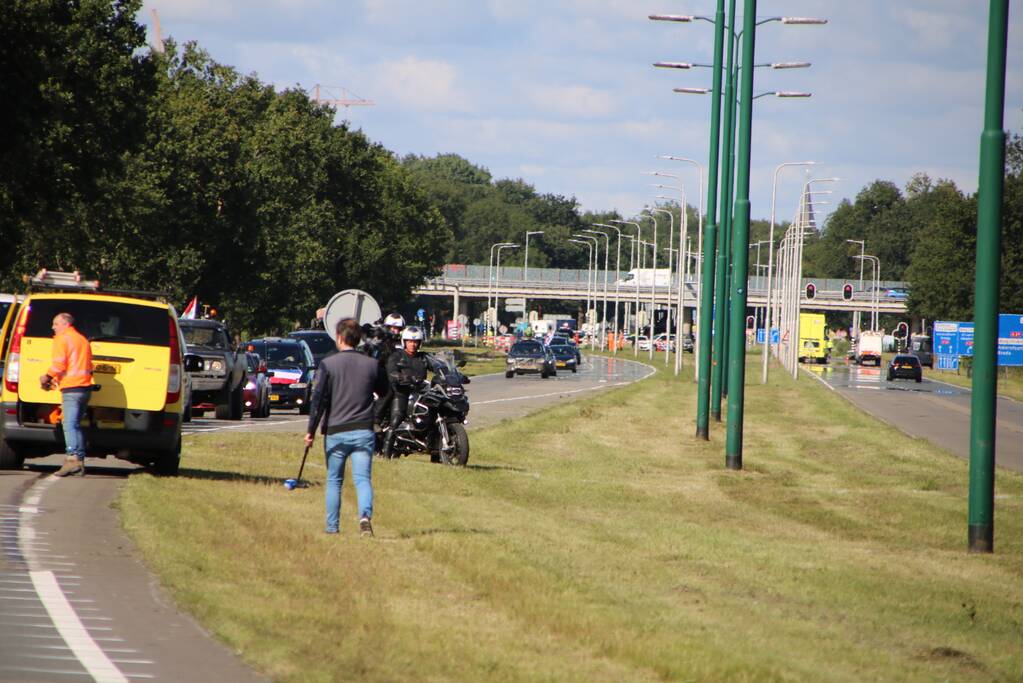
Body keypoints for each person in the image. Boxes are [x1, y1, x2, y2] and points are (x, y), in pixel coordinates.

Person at [305, 318, 390, 536]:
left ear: (339, 337)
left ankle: (332, 527)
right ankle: (364, 517)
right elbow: (384, 391)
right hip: (363, 429)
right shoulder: (372, 364)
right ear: (359, 338)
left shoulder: (329, 364)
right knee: (362, 479)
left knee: (334, 480)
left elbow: (319, 400)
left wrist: (311, 431)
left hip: (336, 431)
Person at [42, 313, 94, 477]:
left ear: (65, 324)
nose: (53, 327)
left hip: (72, 388)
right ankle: (79, 461)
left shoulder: (62, 339)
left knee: (69, 424)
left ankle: (71, 459)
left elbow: (59, 364)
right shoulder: (82, 340)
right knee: (76, 424)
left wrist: (47, 377)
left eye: (56, 324)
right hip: (85, 387)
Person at [382, 326, 429, 459]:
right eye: (409, 341)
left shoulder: (423, 357)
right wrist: (403, 377)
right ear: (404, 342)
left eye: (415, 342)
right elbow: (391, 372)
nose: (413, 344)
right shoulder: (397, 355)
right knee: (396, 419)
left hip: (420, 393)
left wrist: (451, 372)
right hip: (402, 392)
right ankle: (386, 454)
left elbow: (437, 364)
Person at [372, 313, 405, 427]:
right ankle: (376, 421)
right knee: (389, 390)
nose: (395, 331)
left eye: (397, 328)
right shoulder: (381, 343)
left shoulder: (405, 343)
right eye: (392, 328)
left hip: (403, 376)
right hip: (384, 377)